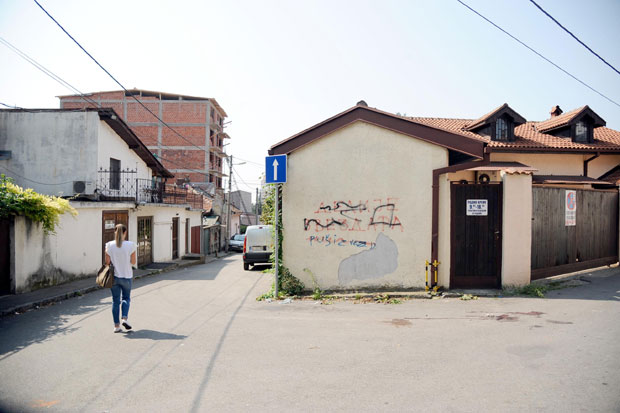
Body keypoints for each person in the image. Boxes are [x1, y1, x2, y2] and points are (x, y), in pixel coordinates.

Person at [105, 224, 136, 333]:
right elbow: (133, 262)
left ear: (115, 232)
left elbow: (107, 262)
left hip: (114, 277)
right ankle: (124, 319)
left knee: (115, 301)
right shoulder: (131, 245)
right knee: (126, 298)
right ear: (125, 232)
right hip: (127, 276)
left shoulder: (109, 245)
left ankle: (116, 326)